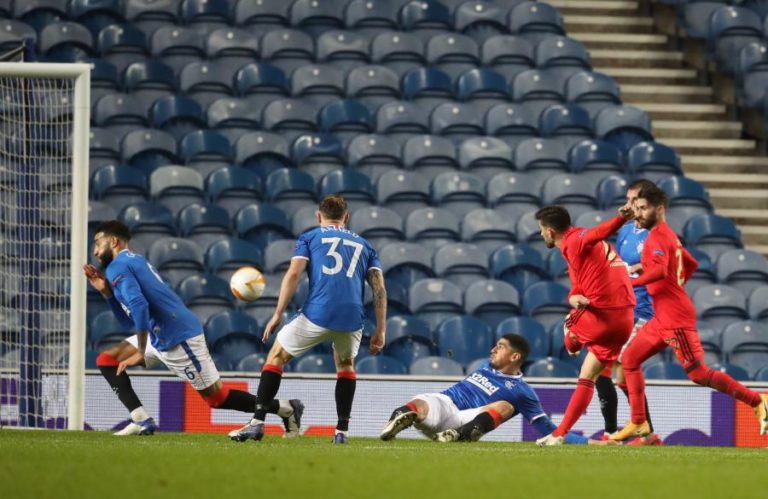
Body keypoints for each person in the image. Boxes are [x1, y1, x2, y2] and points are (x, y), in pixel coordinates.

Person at [84, 221, 302, 436]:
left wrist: (140, 351)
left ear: (113, 241)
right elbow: (130, 319)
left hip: (178, 338)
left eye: (97, 243)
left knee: (217, 399)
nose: (94, 251)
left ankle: (286, 408)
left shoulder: (117, 267)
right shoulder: (133, 261)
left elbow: (139, 306)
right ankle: (141, 418)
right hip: (159, 332)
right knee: (107, 360)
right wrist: (106, 293)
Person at [610, 185, 768, 441]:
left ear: (659, 209)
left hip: (675, 319)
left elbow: (660, 271)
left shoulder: (659, 236)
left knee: (699, 375)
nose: (637, 214)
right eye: (636, 208)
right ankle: (639, 422)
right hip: (662, 314)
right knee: (629, 360)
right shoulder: (665, 235)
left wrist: (631, 281)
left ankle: (756, 401)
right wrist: (671, 281)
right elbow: (689, 263)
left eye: (643, 208)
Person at [228, 195, 387, 444]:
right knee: (345, 366)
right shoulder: (365, 245)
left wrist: (278, 313)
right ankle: (341, 432)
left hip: (318, 312)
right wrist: (381, 330)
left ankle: (257, 422)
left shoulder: (311, 237)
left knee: (276, 357)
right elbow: (378, 288)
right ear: (346, 217)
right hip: (352, 317)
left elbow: (293, 273)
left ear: (318, 216)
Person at [379, 334, 611, 445]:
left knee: (505, 406)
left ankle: (456, 436)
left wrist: (591, 442)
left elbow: (548, 430)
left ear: (515, 356)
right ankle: (401, 416)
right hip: (445, 404)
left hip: (465, 421)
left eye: (499, 347)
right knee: (423, 402)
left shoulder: (522, 392)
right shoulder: (484, 366)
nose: (492, 349)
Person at [534, 204, 636, 446]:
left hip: (604, 315)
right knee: (587, 375)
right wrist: (573, 298)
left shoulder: (575, 240)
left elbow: (597, 232)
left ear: (549, 231)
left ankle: (573, 342)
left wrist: (620, 219)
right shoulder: (577, 253)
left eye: (540, 230)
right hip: (623, 321)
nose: (540, 234)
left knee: (568, 326)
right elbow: (577, 287)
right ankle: (559, 435)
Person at [594, 179, 662, 446]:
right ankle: (645, 434)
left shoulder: (657, 234)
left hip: (645, 312)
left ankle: (620, 434)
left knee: (616, 368)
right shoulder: (624, 231)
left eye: (635, 200)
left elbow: (663, 269)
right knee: (610, 373)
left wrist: (635, 271)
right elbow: (618, 264)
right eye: (628, 199)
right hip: (622, 309)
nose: (629, 205)